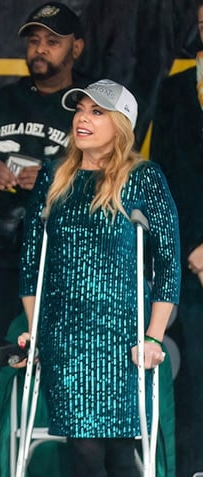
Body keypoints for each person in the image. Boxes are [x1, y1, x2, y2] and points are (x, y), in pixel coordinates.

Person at [17, 79, 180, 475]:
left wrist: (154, 337)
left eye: (96, 112)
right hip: (66, 336)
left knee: (121, 453)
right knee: (85, 449)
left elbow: (169, 264)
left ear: (121, 124)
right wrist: (35, 329)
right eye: (79, 110)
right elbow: (29, 263)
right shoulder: (54, 177)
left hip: (123, 335)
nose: (82, 119)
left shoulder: (144, 177)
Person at [0, 3, 86, 474]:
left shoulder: (88, 110)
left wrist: (48, 179)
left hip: (64, 263)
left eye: (52, 40)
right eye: (34, 40)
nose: (40, 49)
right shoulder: (3, 103)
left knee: (67, 374)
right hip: (1, 256)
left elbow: (108, 183)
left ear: (76, 47)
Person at [149, 2, 203, 474]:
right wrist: (192, 247)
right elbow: (161, 181)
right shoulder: (175, 92)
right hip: (192, 264)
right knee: (194, 380)